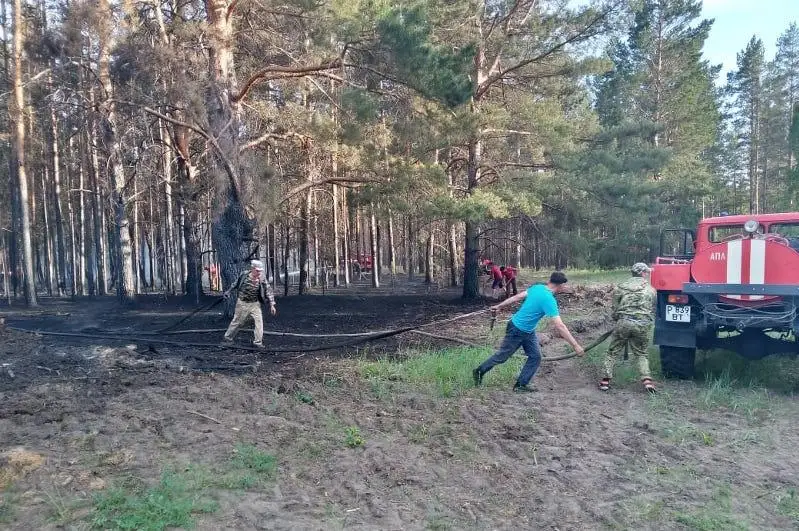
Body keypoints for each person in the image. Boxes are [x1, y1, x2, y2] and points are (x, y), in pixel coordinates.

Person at [473, 271, 585, 392]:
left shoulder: (537, 288)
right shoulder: (549, 300)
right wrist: (576, 346)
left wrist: (500, 306)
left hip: (528, 331)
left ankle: (520, 385)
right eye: (564, 286)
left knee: (535, 357)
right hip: (517, 330)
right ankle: (479, 371)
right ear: (560, 285)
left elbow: (517, 297)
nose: (565, 288)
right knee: (502, 356)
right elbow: (560, 326)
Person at [600, 262, 657, 393]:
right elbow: (652, 308)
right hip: (643, 324)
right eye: (646, 272)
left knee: (612, 352)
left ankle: (605, 381)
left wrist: (618, 319)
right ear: (643, 273)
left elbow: (614, 309)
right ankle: (647, 381)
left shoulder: (620, 287)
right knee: (641, 353)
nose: (647, 274)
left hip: (624, 323)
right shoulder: (651, 289)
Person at [222, 260, 276, 348]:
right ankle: (227, 338)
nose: (259, 272)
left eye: (260, 271)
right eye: (257, 270)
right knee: (237, 321)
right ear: (252, 269)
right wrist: (228, 291)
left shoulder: (262, 278)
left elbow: (268, 290)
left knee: (259, 322)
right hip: (242, 303)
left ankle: (257, 343)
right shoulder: (244, 275)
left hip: (255, 304)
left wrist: (272, 304)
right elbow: (235, 284)